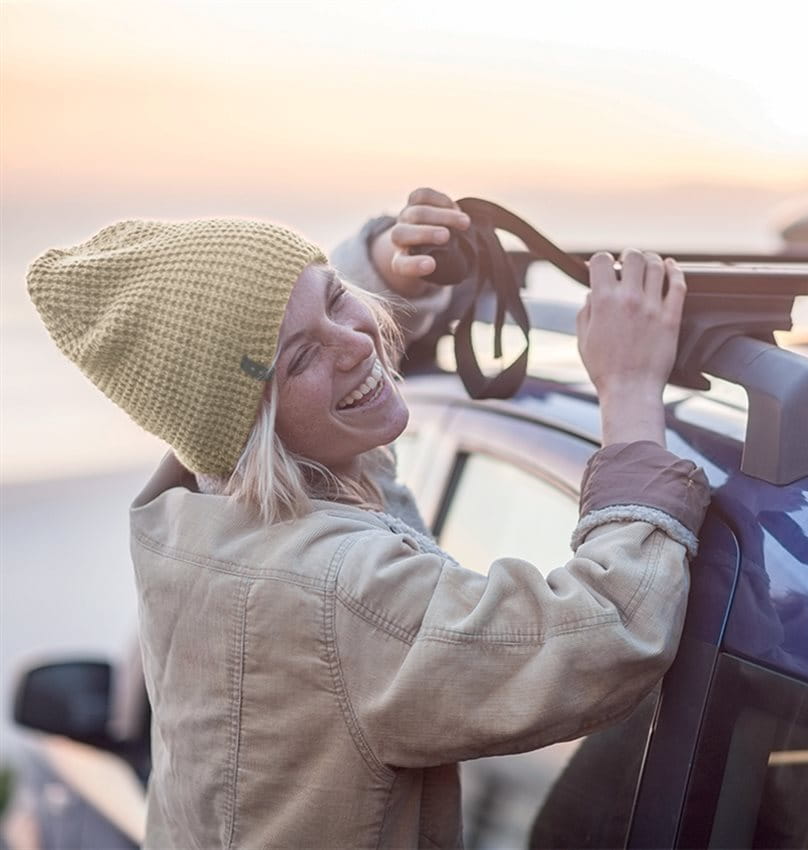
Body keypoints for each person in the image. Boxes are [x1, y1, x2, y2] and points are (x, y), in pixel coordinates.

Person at [27, 187, 710, 849]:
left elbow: (255, 374)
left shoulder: (185, 509)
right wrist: (629, 393)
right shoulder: (337, 593)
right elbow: (608, 631)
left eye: (336, 297)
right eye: (301, 358)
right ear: (252, 425)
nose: (355, 341)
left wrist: (385, 266)